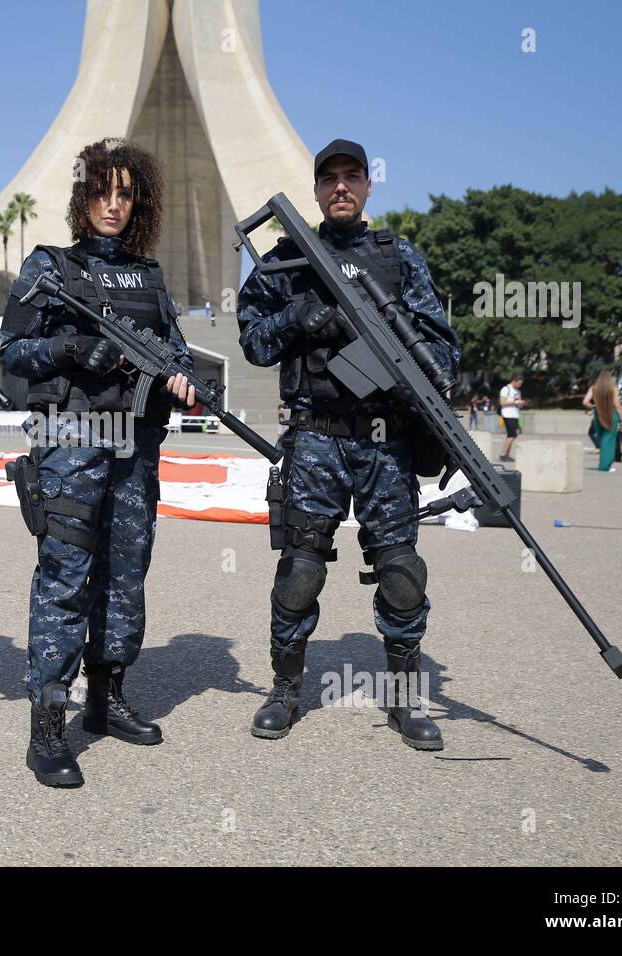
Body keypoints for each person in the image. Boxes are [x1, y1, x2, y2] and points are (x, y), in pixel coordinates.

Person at [236, 138, 460, 750]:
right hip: (314, 440)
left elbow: (443, 347)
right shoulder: (288, 259)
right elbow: (253, 342)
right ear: (314, 190)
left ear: (367, 186)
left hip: (386, 445)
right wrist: (298, 320)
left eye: (351, 177)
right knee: (301, 570)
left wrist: (400, 360)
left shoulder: (398, 257)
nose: (340, 186)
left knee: (400, 571)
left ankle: (403, 700)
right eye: (329, 178)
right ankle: (285, 691)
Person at [0, 138, 195, 787]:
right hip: (73, 439)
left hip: (133, 444)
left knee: (126, 571)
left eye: (125, 193)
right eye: (101, 191)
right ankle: (47, 724)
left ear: (137, 201)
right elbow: (13, 352)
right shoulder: (49, 266)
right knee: (65, 576)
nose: (113, 204)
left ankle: (105, 698)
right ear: (83, 197)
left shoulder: (149, 276)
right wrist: (71, 348)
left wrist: (186, 379)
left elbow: (175, 348)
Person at [591, 370, 622, 471]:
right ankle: (604, 466)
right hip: (611, 414)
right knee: (609, 440)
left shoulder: (595, 388)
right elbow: (617, 404)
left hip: (598, 414)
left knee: (602, 440)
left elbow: (587, 401)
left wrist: (592, 408)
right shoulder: (613, 389)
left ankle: (604, 464)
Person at [499, 375, 527, 462]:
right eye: (519, 383)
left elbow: (517, 403)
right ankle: (503, 454)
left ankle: (506, 454)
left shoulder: (517, 391)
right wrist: (515, 402)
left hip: (515, 414)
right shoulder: (506, 389)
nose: (520, 386)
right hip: (507, 414)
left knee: (513, 435)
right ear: (514, 381)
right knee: (512, 435)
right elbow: (502, 402)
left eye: (521, 384)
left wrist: (521, 403)